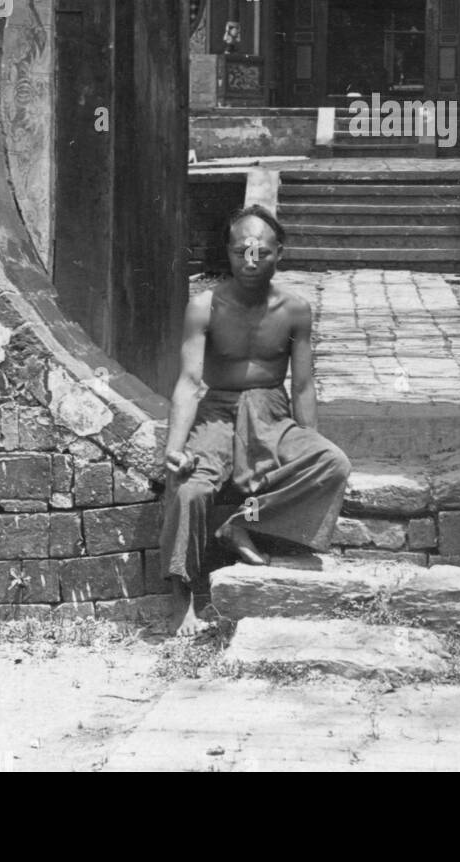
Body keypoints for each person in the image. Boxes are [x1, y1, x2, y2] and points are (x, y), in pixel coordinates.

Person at [159, 204, 352, 636]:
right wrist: (174, 448)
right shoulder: (204, 307)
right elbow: (190, 382)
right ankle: (182, 596)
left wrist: (306, 447)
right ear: (226, 253)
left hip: (272, 412)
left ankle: (241, 525)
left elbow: (302, 386)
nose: (250, 261)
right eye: (240, 251)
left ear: (278, 253)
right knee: (190, 489)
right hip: (218, 414)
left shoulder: (295, 309)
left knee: (332, 463)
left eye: (261, 252)